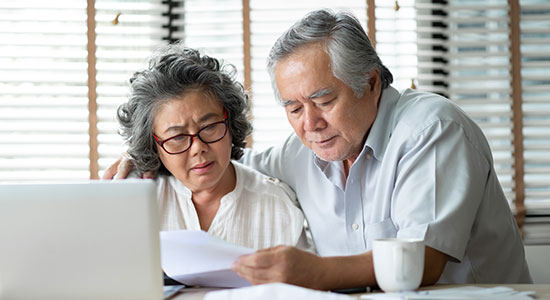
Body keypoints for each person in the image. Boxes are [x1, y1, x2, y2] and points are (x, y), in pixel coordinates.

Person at [104, 9, 531, 290]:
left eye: (324, 101)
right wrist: (146, 159)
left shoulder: (432, 129)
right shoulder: (303, 150)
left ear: (370, 83)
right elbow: (224, 160)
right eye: (293, 107)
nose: (310, 124)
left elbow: (423, 263)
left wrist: (309, 274)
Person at [116, 43, 312, 251]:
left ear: (230, 123)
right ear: (154, 145)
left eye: (209, 127)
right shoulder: (137, 199)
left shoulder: (276, 206)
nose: (197, 148)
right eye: (178, 137)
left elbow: (300, 281)